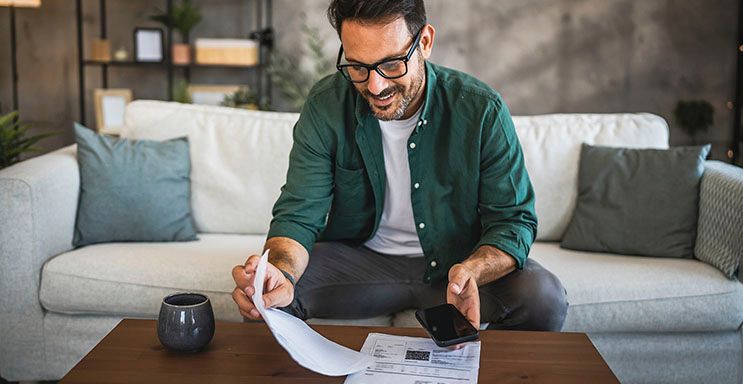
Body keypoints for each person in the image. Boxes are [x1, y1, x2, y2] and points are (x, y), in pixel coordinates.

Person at [232, 0, 567, 331]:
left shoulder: (481, 110)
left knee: (543, 297)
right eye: (358, 67)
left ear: (425, 42)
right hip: (360, 263)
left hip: (457, 266)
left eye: (391, 64)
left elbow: (513, 221)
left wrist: (472, 271)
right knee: (268, 300)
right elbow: (298, 215)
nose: (374, 86)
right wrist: (281, 272)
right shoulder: (326, 106)